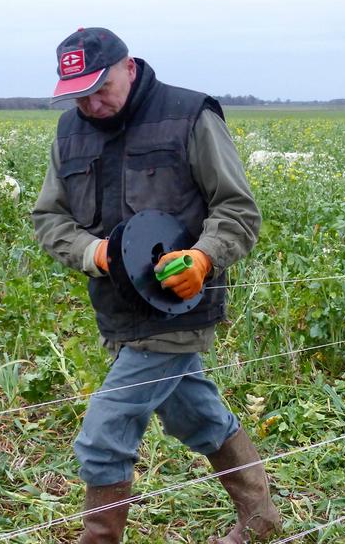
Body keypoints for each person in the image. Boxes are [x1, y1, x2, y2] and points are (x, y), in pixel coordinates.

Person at [32, 27, 281, 543]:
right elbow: (50, 220)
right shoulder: (69, 132)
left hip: (180, 307)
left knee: (105, 433)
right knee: (196, 412)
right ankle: (260, 523)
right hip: (116, 308)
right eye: (79, 94)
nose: (92, 103)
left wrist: (203, 257)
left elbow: (238, 209)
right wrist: (92, 252)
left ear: (129, 66)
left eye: (101, 88)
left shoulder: (189, 116)